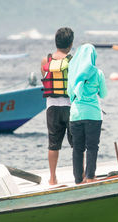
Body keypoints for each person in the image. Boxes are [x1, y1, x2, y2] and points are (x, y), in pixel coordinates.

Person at [67, 43, 107, 184]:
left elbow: (69, 93)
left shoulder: (73, 73)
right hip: (93, 115)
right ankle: (90, 177)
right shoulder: (98, 73)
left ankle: (79, 179)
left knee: (77, 149)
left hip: (76, 115)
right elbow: (103, 94)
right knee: (92, 147)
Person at [41, 27, 74, 185]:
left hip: (52, 106)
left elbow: (44, 76)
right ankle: (79, 173)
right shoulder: (72, 60)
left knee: (53, 144)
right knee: (77, 142)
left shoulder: (45, 60)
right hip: (70, 106)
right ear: (71, 43)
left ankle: (52, 178)